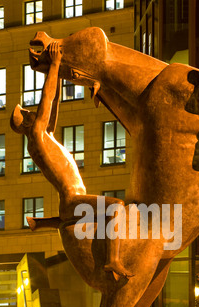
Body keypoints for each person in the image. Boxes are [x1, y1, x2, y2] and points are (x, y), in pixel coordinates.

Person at [10, 42, 132, 280]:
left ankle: (42, 222)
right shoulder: (35, 137)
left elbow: (54, 104)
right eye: (26, 112)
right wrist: (54, 65)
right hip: (72, 199)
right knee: (116, 207)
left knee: (102, 211)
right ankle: (112, 260)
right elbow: (47, 98)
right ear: (26, 123)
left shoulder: (46, 137)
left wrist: (57, 70)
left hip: (72, 200)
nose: (31, 111)